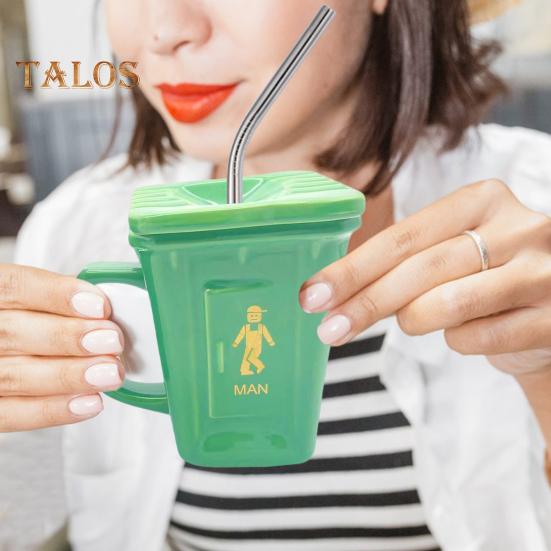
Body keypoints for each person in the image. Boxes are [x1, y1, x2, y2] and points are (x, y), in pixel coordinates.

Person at [3, 0, 551, 549]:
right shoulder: (73, 228)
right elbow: (24, 515)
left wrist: (543, 373)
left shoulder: (536, 203)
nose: (167, 30)